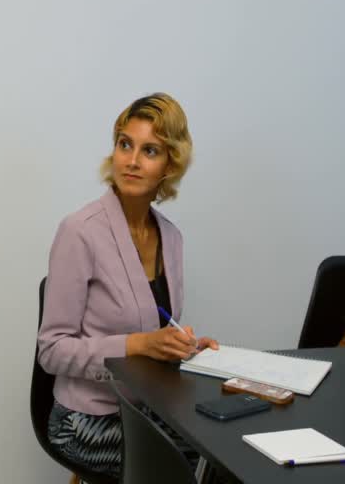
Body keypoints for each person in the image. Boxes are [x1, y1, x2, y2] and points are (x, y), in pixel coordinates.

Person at [37, 93, 219, 481]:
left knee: (223, 456)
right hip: (82, 419)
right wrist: (138, 344)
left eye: (149, 150)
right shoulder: (79, 232)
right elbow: (51, 351)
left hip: (149, 408)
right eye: (125, 145)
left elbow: (159, 326)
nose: (132, 161)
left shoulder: (171, 238)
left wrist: (182, 347)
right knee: (179, 470)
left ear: (170, 165)